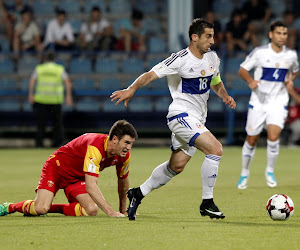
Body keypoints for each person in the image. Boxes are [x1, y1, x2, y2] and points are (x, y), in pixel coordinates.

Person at [111, 18, 236, 220]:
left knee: (176, 166)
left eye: (213, 36)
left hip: (197, 119)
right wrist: (131, 89)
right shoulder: (180, 59)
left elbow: (216, 82)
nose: (212, 40)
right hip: (180, 115)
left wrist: (225, 96)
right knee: (215, 149)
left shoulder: (213, 58)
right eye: (208, 36)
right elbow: (150, 75)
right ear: (194, 37)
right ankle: (207, 202)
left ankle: (138, 192)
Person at [0, 120, 138, 217]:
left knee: (91, 210)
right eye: (126, 142)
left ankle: (50, 208)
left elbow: (123, 182)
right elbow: (91, 186)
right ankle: (10, 207)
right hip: (56, 169)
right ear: (114, 139)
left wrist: (122, 209)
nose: (129, 148)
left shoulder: (124, 156)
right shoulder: (95, 147)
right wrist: (110, 212)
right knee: (40, 208)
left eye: (131, 143)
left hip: (76, 178)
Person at [237, 21, 299, 190]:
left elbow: (295, 70)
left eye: (284, 34)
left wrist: (290, 81)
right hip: (258, 102)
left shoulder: (291, 55)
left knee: (273, 137)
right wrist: (250, 80)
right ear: (271, 34)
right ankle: (244, 172)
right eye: (279, 33)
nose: (282, 36)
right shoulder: (260, 53)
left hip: (278, 102)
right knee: (252, 139)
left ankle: (269, 171)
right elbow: (242, 69)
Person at [28, 51, 73, 148]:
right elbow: (67, 82)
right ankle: (58, 143)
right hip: (55, 100)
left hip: (41, 99)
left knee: (41, 124)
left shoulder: (39, 68)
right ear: (54, 59)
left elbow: (32, 80)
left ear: (45, 59)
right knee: (57, 124)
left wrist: (31, 94)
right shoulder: (59, 69)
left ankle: (39, 144)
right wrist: (68, 95)